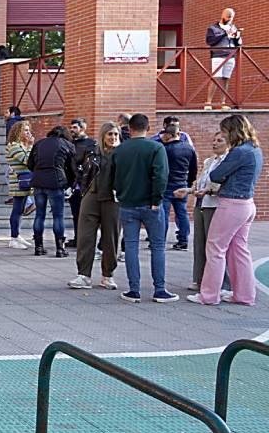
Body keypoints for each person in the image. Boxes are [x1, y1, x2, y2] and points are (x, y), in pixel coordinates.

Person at [189, 115, 263, 306]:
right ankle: (245, 295)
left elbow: (216, 174)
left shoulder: (238, 152)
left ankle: (209, 295)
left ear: (233, 131)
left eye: (224, 131)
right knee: (239, 250)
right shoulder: (255, 149)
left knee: (215, 249)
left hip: (231, 204)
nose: (223, 135)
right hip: (247, 203)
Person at [112, 113, 175, 304]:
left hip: (127, 203)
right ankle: (159, 289)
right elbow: (161, 175)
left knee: (130, 246)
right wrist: (156, 199)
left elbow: (114, 176)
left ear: (129, 129)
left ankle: (134, 290)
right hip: (151, 204)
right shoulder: (156, 148)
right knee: (157, 246)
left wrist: (121, 194)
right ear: (148, 128)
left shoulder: (119, 150)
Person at [67, 122, 121, 291]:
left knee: (111, 238)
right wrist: (81, 189)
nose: (113, 138)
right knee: (85, 236)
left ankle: (108, 275)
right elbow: (80, 170)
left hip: (112, 199)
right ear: (103, 136)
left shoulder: (122, 154)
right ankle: (84, 275)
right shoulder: (93, 151)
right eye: (110, 134)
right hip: (91, 195)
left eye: (115, 135)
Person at [187, 131, 230, 292]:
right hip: (201, 204)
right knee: (199, 243)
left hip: (215, 204)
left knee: (214, 245)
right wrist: (191, 189)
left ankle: (222, 282)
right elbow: (199, 180)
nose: (215, 143)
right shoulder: (208, 161)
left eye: (220, 140)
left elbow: (221, 183)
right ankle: (199, 278)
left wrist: (209, 190)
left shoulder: (227, 162)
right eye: (214, 140)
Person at [27, 125, 75, 258]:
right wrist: (70, 183)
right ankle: (60, 248)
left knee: (39, 215)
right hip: (56, 182)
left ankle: (38, 246)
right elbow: (72, 168)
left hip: (38, 182)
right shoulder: (67, 145)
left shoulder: (39, 143)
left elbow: (30, 164)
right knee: (58, 216)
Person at [158, 116, 197, 252]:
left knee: (163, 214)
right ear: (179, 133)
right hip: (182, 183)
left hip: (167, 184)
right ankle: (183, 240)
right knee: (182, 213)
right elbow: (193, 168)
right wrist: (189, 183)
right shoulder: (189, 148)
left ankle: (160, 241)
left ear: (167, 134)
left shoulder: (163, 149)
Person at [65, 118, 97, 249]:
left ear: (82, 128)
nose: (72, 130)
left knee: (86, 215)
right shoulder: (70, 143)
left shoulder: (91, 144)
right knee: (76, 214)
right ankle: (78, 238)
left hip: (85, 184)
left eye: (75, 128)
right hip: (73, 184)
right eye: (71, 127)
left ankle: (85, 239)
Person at [4, 120, 35, 249]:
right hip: (18, 181)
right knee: (17, 209)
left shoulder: (22, 145)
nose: (28, 133)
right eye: (26, 130)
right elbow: (27, 160)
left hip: (25, 180)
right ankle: (14, 237)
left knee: (21, 209)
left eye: (29, 130)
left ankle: (17, 234)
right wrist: (30, 145)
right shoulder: (14, 146)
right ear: (19, 132)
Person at [204, 8, 241, 110]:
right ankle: (208, 103)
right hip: (218, 56)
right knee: (215, 78)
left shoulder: (233, 27)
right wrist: (225, 33)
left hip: (230, 56)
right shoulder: (213, 28)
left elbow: (239, 43)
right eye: (228, 17)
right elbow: (210, 41)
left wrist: (237, 37)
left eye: (231, 18)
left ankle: (222, 102)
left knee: (226, 79)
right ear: (223, 16)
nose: (230, 20)